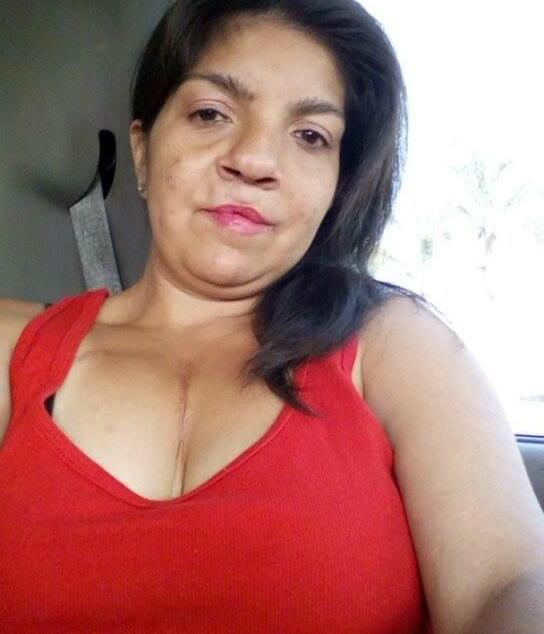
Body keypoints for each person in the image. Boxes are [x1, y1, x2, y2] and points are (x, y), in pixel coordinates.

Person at [1, 0, 544, 632]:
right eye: (211, 113)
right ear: (143, 151)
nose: (255, 160)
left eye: (311, 136)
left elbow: (508, 583)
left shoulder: (395, 344)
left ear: (336, 186)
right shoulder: (14, 346)